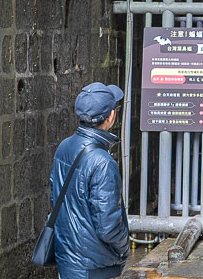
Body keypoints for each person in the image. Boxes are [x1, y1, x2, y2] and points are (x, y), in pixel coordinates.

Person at [48, 82, 130, 279]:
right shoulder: (103, 162)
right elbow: (108, 225)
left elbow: (54, 196)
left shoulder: (64, 146)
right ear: (110, 116)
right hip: (94, 266)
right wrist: (124, 247)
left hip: (67, 256)